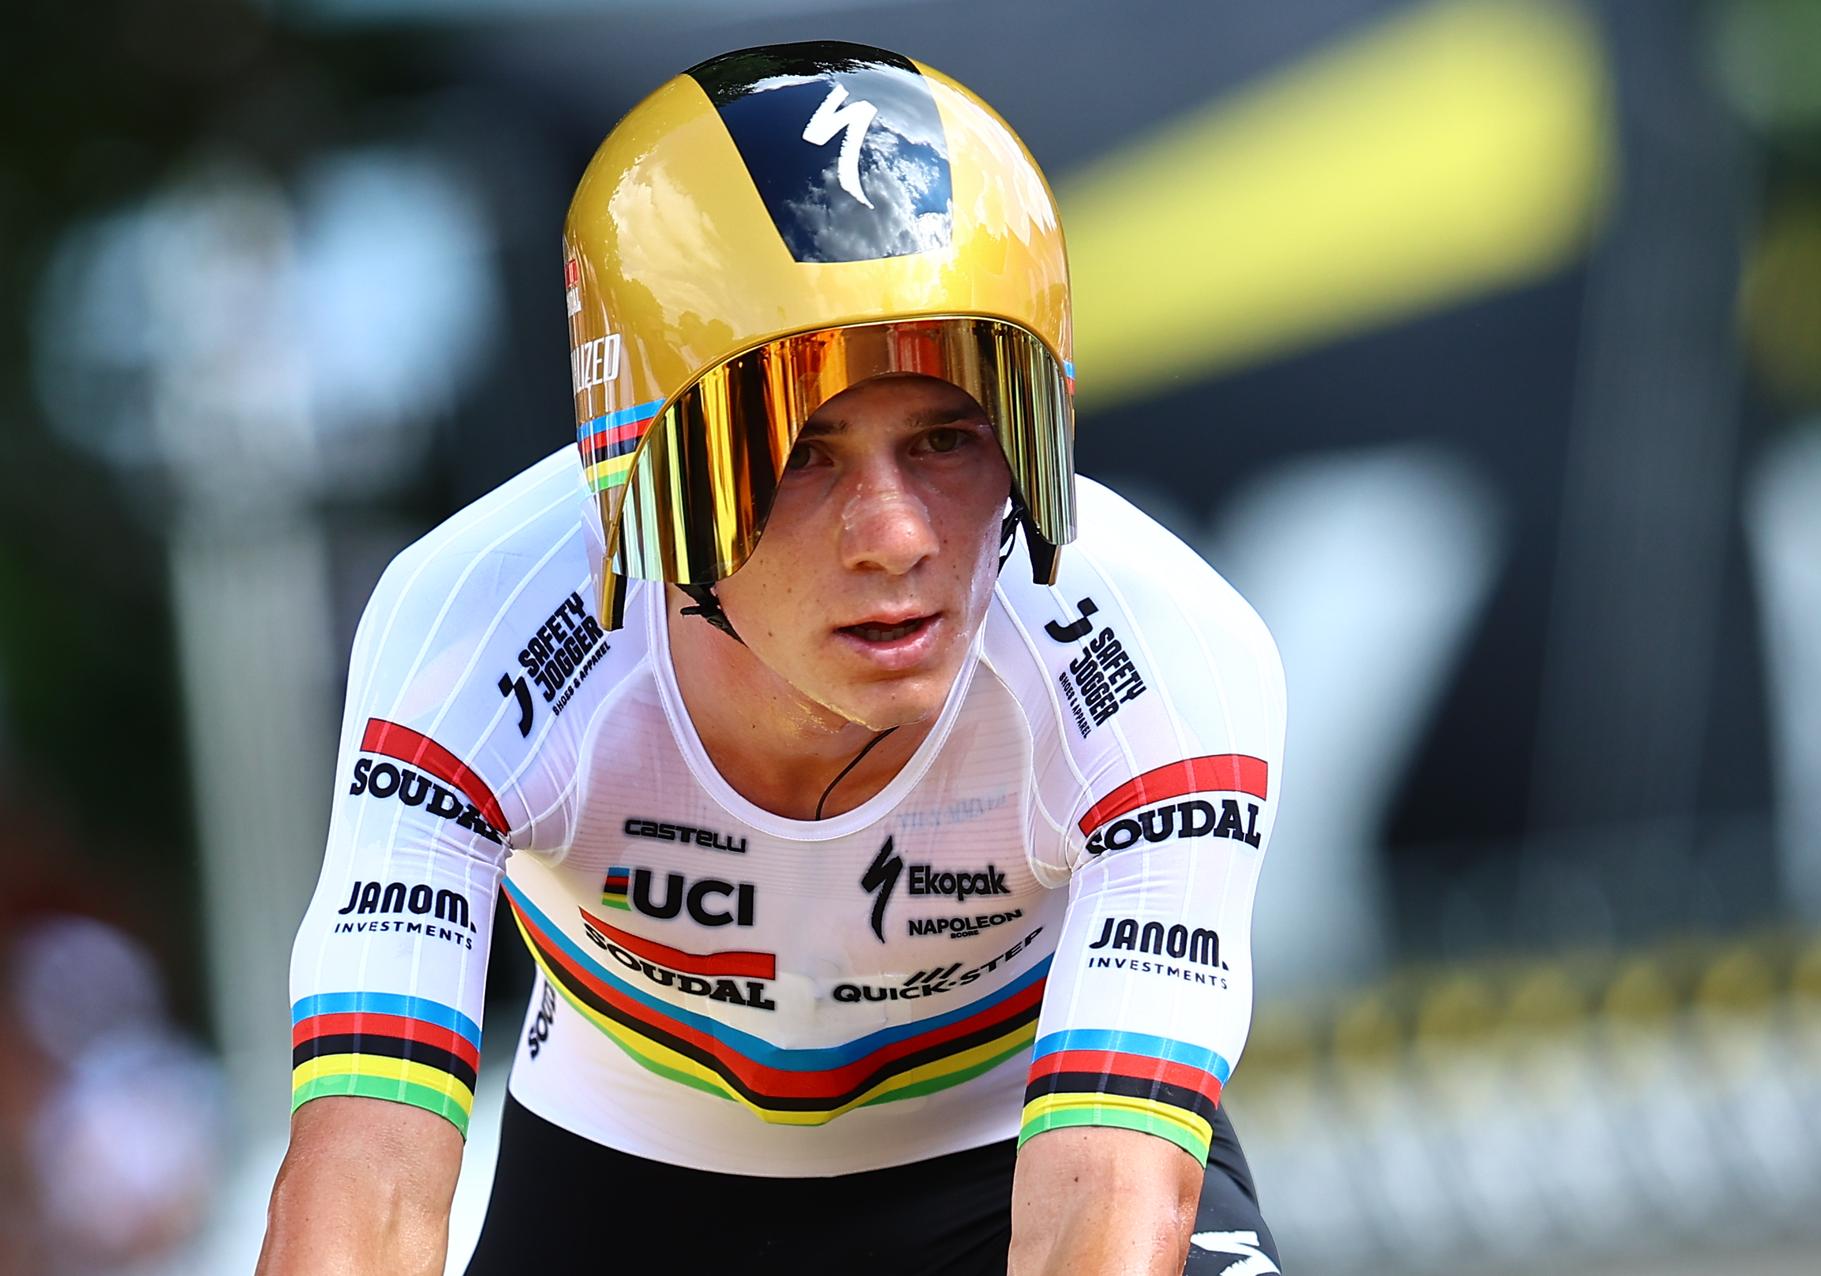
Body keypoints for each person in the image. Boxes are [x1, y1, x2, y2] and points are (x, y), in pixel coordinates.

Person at [256, 41, 1286, 1276]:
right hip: (626, 1192)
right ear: (649, 471)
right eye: (802, 452)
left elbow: (1106, 1208)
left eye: (949, 439)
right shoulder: (476, 625)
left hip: (1014, 1152)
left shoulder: (1164, 646)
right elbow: (362, 1192)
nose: (898, 537)